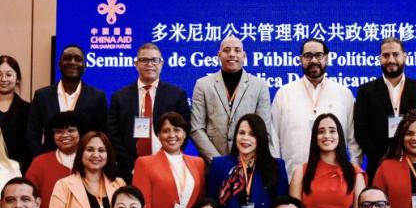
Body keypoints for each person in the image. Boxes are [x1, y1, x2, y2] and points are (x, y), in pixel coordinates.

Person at [271, 38, 360, 175]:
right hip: (291, 177)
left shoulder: (343, 94)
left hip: (335, 180)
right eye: (308, 56)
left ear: (327, 58)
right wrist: (277, 175)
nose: (313, 60)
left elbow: (353, 139)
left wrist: (354, 171)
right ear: (300, 59)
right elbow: (273, 138)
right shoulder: (284, 94)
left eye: (319, 55)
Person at [354, 37, 416, 182]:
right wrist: (382, 158)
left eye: (395, 54)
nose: (391, 60)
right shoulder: (366, 91)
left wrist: (415, 154)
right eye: (386, 55)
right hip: (378, 165)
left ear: (405, 57)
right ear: (380, 59)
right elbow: (361, 131)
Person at [106, 42, 191, 182]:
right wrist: (131, 165)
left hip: (168, 168)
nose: (149, 64)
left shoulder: (177, 95)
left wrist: (169, 159)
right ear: (136, 64)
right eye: (144, 60)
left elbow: (184, 130)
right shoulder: (120, 97)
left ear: (161, 64)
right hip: (127, 170)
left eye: (154, 60)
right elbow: (113, 134)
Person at [208, 114, 289, 208]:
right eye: (241, 133)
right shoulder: (219, 165)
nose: (245, 138)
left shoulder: (276, 166)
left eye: (252, 134)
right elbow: (211, 206)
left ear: (260, 138)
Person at [190, 35, 276, 163]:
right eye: (226, 50)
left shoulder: (259, 86)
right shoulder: (203, 85)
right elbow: (196, 128)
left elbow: (263, 130)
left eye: (237, 50)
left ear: (244, 56)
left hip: (250, 164)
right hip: (212, 165)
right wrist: (219, 162)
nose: (231, 54)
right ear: (219, 55)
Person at [288, 113, 367, 208]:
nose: (326, 135)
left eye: (332, 131)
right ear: (315, 137)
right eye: (321, 131)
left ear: (339, 135)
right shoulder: (301, 172)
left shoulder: (354, 172)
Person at [133, 112, 206, 208]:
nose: (172, 135)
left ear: (184, 134)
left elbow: (200, 203)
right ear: (158, 135)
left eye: (177, 130)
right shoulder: (145, 164)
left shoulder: (198, 163)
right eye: (166, 131)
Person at [26, 45, 108, 157]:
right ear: (59, 65)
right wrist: (43, 159)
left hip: (84, 162)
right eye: (67, 58)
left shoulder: (97, 97)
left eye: (78, 59)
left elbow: (102, 136)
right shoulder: (42, 96)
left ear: (85, 66)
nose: (72, 62)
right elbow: (32, 136)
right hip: (50, 161)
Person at [25, 111, 81, 208]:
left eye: (71, 130)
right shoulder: (40, 162)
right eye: (59, 131)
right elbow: (27, 197)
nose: (65, 135)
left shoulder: (91, 161)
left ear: (81, 133)